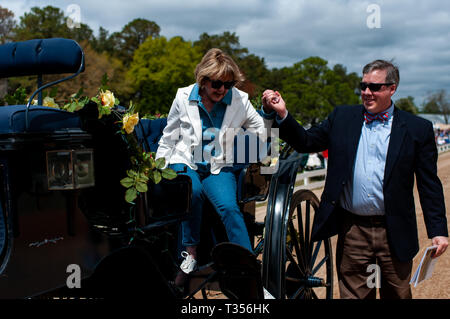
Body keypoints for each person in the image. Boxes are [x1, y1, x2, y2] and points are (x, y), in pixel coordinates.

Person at [262, 59, 448, 299]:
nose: (367, 92)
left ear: (392, 89)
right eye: (363, 86)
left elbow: (428, 184)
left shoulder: (417, 129)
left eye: (375, 87)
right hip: (353, 231)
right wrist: (283, 114)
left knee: (397, 295)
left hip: (394, 231)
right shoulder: (342, 117)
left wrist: (438, 230)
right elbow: (306, 142)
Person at [156, 48, 272, 286]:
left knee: (229, 208)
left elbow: (261, 130)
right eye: (218, 83)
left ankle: (249, 268)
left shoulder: (240, 99)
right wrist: (159, 166)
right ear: (204, 79)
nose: (223, 89)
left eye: (228, 84)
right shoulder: (183, 96)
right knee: (193, 192)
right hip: (185, 159)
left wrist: (266, 116)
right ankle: (190, 254)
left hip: (218, 164)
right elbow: (169, 136)